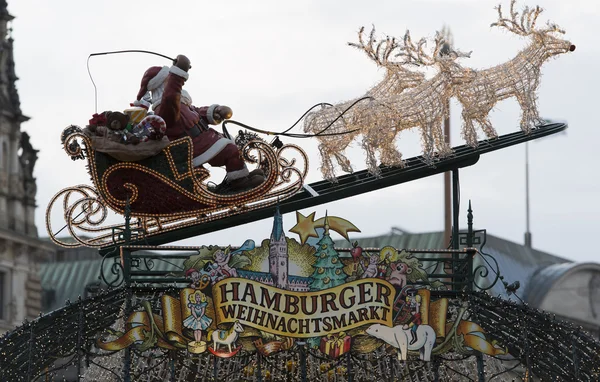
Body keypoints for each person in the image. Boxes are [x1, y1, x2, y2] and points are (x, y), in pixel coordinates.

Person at [132, 54, 265, 193]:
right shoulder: (165, 109)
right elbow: (171, 95)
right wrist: (179, 72)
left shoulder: (183, 105)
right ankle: (238, 182)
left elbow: (197, 112)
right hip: (192, 147)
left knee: (231, 146)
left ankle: (240, 176)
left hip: (204, 140)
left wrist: (215, 111)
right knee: (229, 149)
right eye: (168, 80)